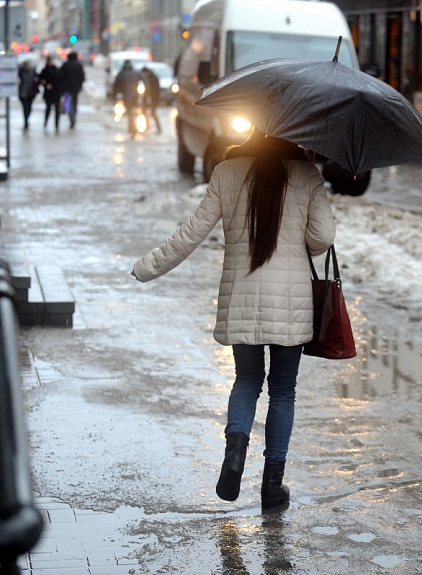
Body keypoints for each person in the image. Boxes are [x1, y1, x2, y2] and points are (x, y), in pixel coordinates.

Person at [131, 130, 336, 511]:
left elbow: (190, 234)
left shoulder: (228, 172)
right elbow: (321, 238)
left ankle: (234, 456)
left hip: (241, 298)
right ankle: (272, 488)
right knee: (283, 390)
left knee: (246, 380)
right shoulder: (306, 174)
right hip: (290, 304)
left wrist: (148, 267)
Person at [113, 60, 144, 135]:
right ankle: (134, 128)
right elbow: (144, 80)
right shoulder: (136, 73)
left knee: (129, 111)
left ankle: (132, 128)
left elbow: (116, 85)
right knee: (134, 111)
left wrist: (114, 95)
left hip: (126, 95)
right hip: (136, 95)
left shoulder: (122, 74)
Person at [60, 52, 85, 129]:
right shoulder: (78, 65)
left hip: (67, 88)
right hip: (75, 88)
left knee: (69, 103)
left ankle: (71, 117)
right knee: (74, 102)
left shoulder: (65, 65)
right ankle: (73, 118)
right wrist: (80, 85)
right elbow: (82, 76)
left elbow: (61, 77)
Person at [38, 56, 63, 131]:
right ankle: (45, 123)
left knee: (57, 110)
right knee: (48, 109)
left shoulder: (57, 70)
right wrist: (45, 84)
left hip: (56, 93)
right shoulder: (45, 70)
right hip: (48, 93)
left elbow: (60, 81)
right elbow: (40, 79)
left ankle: (56, 125)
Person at [18, 59, 39, 130]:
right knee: (25, 107)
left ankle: (27, 119)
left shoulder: (32, 71)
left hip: (31, 92)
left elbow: (37, 78)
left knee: (29, 107)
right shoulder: (21, 72)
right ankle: (26, 121)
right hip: (23, 93)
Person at [141, 66, 162, 134]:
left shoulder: (154, 78)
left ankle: (158, 129)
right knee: (144, 112)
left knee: (153, 113)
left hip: (154, 99)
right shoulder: (146, 78)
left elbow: (155, 90)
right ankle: (147, 127)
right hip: (147, 98)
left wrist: (151, 98)